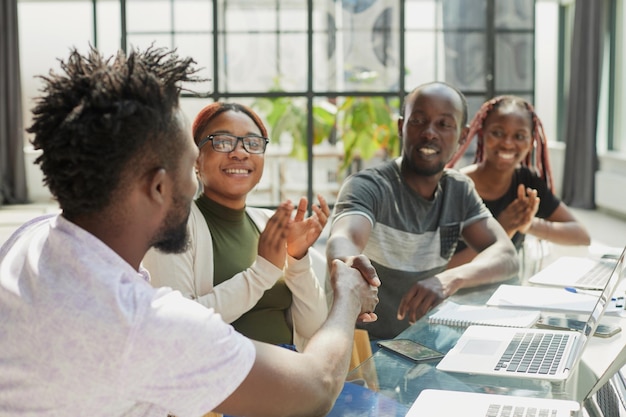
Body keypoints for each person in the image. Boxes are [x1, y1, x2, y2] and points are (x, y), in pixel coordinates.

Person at [0, 45, 379, 417]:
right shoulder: (143, 324)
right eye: (191, 161)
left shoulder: (28, 239)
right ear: (159, 186)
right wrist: (346, 293)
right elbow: (314, 390)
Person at [326, 81, 519, 342]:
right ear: (401, 128)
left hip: (424, 345)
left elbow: (506, 255)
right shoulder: (368, 186)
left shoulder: (458, 190)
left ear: (462, 136)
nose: (429, 133)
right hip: (363, 349)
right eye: (418, 121)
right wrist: (347, 261)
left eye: (444, 124)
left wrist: (450, 279)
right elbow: (344, 238)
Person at [143, 102, 329, 352]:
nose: (239, 153)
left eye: (253, 143)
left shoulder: (267, 223)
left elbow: (312, 327)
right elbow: (179, 327)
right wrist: (261, 274)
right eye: (222, 141)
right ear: (196, 158)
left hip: (288, 373)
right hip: (221, 381)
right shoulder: (172, 227)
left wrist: (297, 259)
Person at [446, 95, 590, 268]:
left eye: (519, 136)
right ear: (482, 134)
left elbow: (582, 236)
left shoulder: (526, 182)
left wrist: (528, 224)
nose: (507, 144)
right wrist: (504, 229)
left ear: (531, 143)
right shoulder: (456, 186)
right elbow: (445, 269)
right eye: (497, 133)